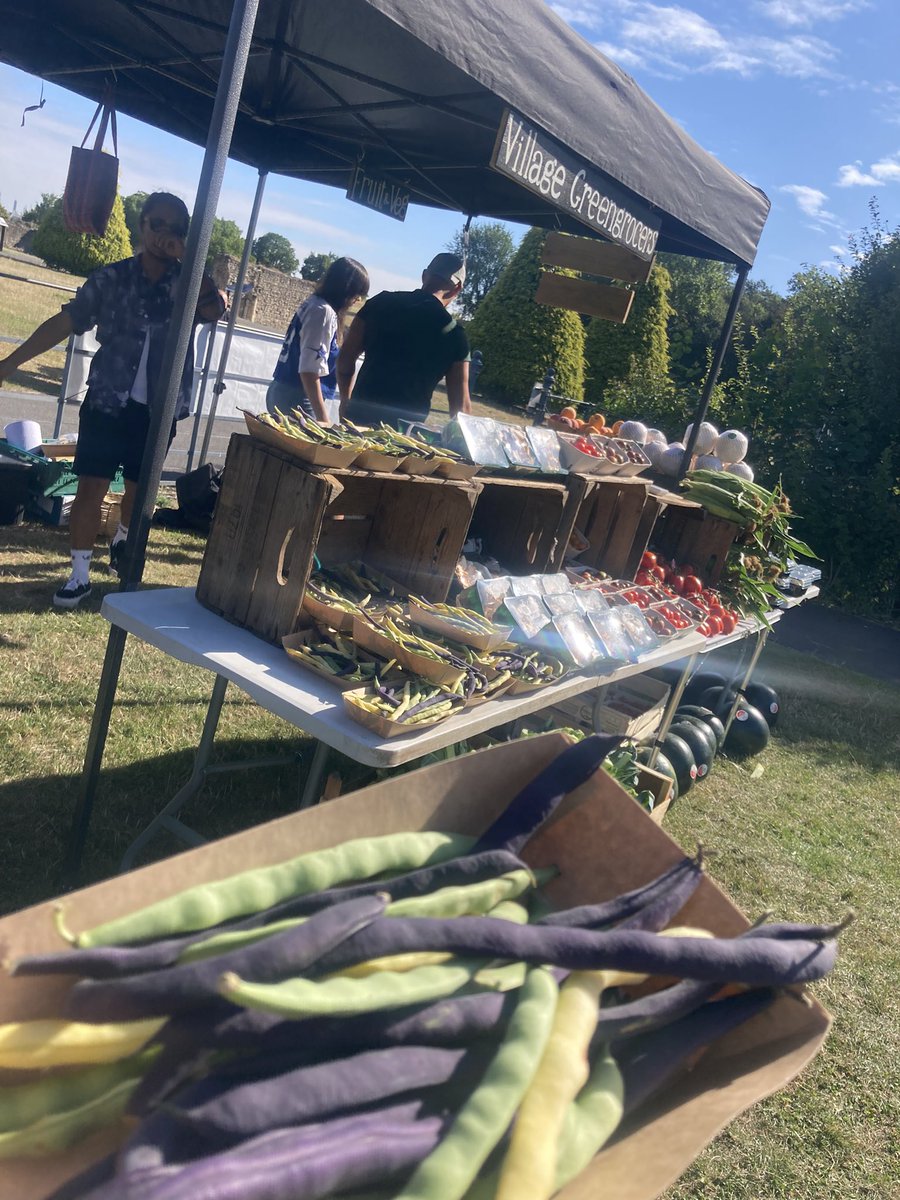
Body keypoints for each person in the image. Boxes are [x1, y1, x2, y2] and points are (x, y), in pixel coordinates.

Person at [0, 192, 226, 609]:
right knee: (91, 486)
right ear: (141, 226)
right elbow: (66, 320)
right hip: (106, 399)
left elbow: (216, 310)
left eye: (175, 229)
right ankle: (79, 575)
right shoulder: (112, 278)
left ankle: (122, 539)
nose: (164, 236)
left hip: (159, 410)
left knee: (139, 492)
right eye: (157, 225)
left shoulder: (188, 283)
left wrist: (193, 260)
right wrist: (10, 362)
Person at [337, 251, 472, 429]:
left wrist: (346, 400)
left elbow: (345, 359)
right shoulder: (455, 334)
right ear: (457, 289)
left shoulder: (379, 304)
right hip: (403, 434)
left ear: (424, 275)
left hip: (357, 420)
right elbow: (461, 407)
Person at [266, 257, 369, 423]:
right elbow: (309, 370)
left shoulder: (313, 303)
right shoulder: (323, 312)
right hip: (298, 396)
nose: (356, 301)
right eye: (357, 295)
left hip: (283, 389)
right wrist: (323, 418)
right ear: (346, 289)